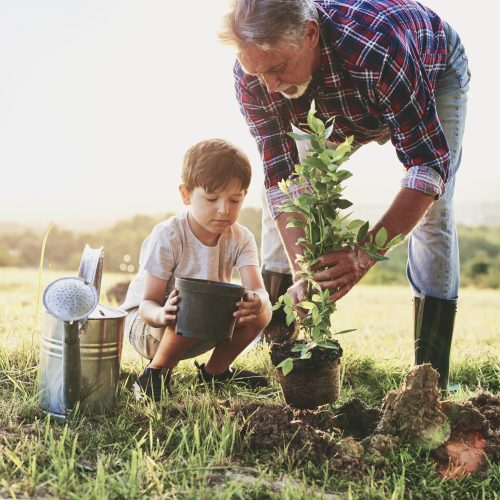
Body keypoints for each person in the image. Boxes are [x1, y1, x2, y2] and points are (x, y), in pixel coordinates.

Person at [219, 0, 470, 391]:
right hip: (339, 99)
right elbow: (282, 179)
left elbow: (427, 166)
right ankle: (280, 346)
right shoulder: (255, 75)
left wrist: (362, 255)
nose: (267, 84)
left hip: (428, 72)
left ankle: (429, 378)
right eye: (256, 71)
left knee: (434, 213)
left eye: (277, 68)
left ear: (310, 35)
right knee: (288, 199)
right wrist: (306, 271)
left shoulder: (378, 48)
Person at [121, 138, 272, 401]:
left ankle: (215, 372)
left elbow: (258, 289)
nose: (224, 210)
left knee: (264, 308)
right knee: (195, 301)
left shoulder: (241, 237)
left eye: (234, 200)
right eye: (212, 198)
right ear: (186, 194)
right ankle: (154, 375)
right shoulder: (168, 236)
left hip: (204, 324)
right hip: (151, 328)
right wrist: (162, 314)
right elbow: (146, 304)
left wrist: (257, 302)